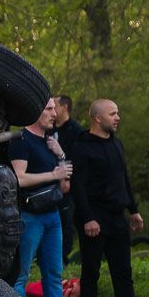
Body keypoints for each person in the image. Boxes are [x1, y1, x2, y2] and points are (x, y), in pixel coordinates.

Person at [70, 99, 149, 297]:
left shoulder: (117, 143)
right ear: (98, 118)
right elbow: (78, 186)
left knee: (123, 272)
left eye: (118, 113)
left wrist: (133, 210)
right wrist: (87, 218)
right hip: (94, 219)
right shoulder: (81, 146)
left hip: (117, 218)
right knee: (91, 271)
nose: (118, 117)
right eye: (113, 113)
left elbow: (123, 178)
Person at [8, 97, 76, 297]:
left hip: (53, 216)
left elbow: (65, 185)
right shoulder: (21, 140)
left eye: (54, 108)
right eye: (49, 109)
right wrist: (53, 173)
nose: (54, 113)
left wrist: (61, 155)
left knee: (54, 273)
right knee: (22, 272)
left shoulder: (50, 142)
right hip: (29, 215)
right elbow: (19, 178)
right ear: (35, 112)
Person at [52, 94, 85, 262]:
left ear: (64, 107)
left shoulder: (76, 131)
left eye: (54, 105)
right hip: (48, 181)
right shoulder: (49, 129)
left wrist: (67, 179)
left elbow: (77, 159)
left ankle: (63, 257)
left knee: (66, 219)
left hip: (67, 183)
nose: (52, 108)